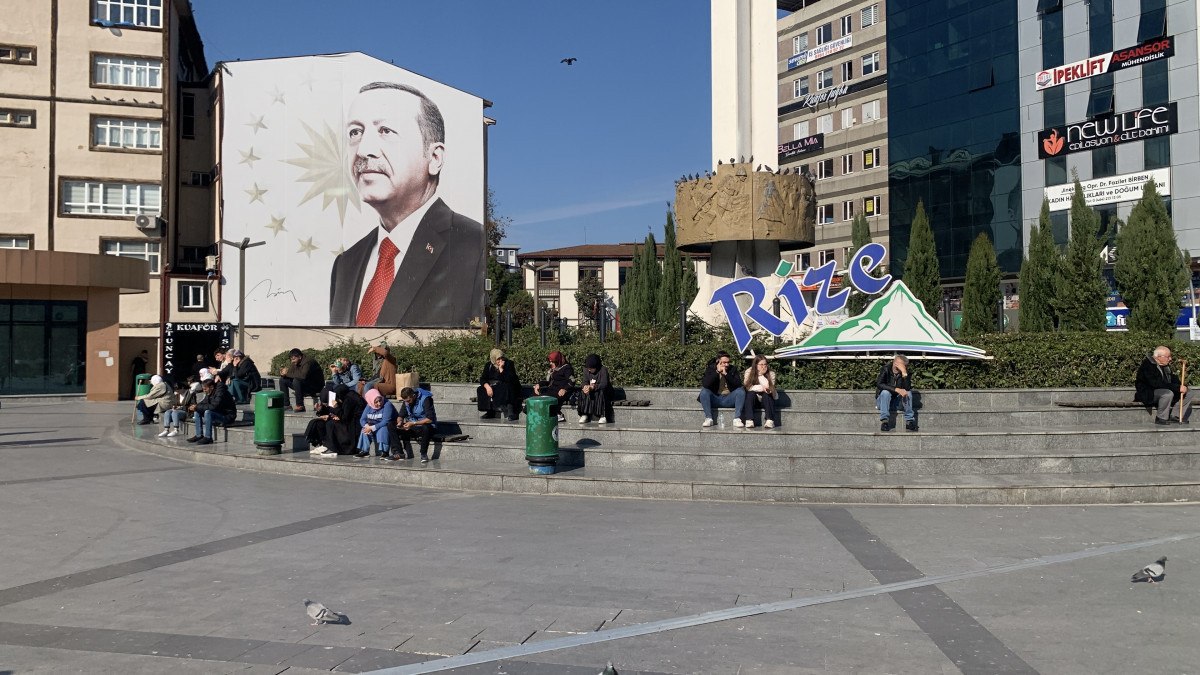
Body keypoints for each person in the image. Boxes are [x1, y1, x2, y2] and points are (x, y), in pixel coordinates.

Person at [329, 81, 485, 328]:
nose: (364, 150)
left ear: (435, 158)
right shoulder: (346, 264)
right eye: (355, 132)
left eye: (386, 131)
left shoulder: (472, 244)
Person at [1135, 345, 1195, 425]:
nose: (1170, 359)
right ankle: (1161, 418)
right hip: (1149, 392)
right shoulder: (1147, 365)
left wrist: (1182, 386)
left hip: (1164, 389)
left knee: (1189, 392)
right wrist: (1177, 387)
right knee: (1167, 393)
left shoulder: (1166, 366)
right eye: (1168, 357)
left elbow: (1173, 380)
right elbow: (1156, 383)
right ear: (1158, 357)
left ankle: (1175, 415)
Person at [698, 351, 746, 428]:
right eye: (724, 362)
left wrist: (727, 374)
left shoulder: (732, 369)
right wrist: (717, 372)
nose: (726, 364)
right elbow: (706, 384)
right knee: (704, 391)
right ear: (718, 361)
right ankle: (708, 418)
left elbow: (738, 384)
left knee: (741, 391)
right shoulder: (711, 368)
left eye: (728, 362)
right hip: (715, 398)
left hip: (729, 398)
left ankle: (737, 418)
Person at [391, 386, 437, 462]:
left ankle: (423, 454)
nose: (407, 403)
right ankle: (398, 452)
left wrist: (413, 423)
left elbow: (430, 419)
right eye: (405, 401)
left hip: (426, 426)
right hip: (413, 426)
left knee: (426, 428)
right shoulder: (406, 401)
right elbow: (401, 415)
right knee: (391, 425)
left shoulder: (426, 399)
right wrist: (400, 422)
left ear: (414, 396)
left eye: (408, 401)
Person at [187, 377, 236, 445]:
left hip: (227, 416)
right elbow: (203, 403)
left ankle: (208, 437)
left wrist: (197, 407)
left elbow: (214, 406)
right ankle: (199, 435)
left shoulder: (220, 393)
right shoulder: (210, 393)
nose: (204, 391)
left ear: (211, 387)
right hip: (219, 413)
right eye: (203, 389)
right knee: (197, 411)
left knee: (208, 412)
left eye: (205, 389)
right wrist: (195, 406)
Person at [477, 348, 521, 421]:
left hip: (508, 385)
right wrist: (487, 386)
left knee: (506, 387)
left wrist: (501, 369)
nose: (500, 360)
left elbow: (509, 379)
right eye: (498, 359)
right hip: (494, 385)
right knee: (481, 389)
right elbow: (483, 378)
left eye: (502, 358)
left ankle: (511, 411)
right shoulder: (489, 365)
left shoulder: (509, 363)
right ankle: (490, 411)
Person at [877, 354, 917, 432]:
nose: (898, 365)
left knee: (908, 393)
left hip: (897, 403)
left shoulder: (905, 372)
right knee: (885, 392)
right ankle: (884, 422)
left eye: (903, 365)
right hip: (883, 402)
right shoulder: (885, 369)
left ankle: (909, 421)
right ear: (894, 362)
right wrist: (896, 389)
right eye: (897, 363)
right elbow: (879, 384)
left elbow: (907, 388)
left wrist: (904, 373)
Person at [534, 351, 575, 422]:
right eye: (550, 362)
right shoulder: (553, 369)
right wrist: (539, 384)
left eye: (552, 362)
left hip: (560, 391)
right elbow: (548, 382)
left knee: (548, 401)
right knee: (535, 399)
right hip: (551, 390)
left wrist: (565, 389)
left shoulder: (566, 368)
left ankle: (558, 414)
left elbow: (572, 381)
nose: (550, 364)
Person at [279, 348, 323, 412]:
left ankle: (300, 405)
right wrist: (283, 374)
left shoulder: (308, 362)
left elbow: (303, 376)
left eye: (293, 359)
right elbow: (290, 373)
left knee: (296, 380)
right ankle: (286, 405)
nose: (292, 361)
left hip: (315, 387)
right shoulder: (296, 362)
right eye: (291, 359)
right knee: (283, 380)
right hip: (304, 385)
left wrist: (287, 373)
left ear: (299, 357)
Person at [740, 355, 778, 429]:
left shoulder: (771, 374)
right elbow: (747, 387)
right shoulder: (749, 371)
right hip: (753, 400)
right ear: (756, 365)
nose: (763, 367)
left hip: (767, 400)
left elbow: (769, 388)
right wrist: (760, 388)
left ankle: (770, 420)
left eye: (765, 364)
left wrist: (761, 375)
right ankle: (749, 419)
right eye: (761, 364)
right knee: (750, 393)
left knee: (767, 395)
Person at [356, 389, 396, 458]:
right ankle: (364, 451)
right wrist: (367, 426)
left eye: (380, 400)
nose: (379, 403)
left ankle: (384, 451)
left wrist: (371, 428)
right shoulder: (369, 406)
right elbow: (362, 419)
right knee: (364, 429)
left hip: (385, 426)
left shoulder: (387, 404)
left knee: (383, 429)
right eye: (376, 402)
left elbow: (386, 421)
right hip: (373, 426)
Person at [576, 354, 612, 424]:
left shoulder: (603, 370)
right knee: (583, 392)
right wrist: (585, 387)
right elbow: (584, 381)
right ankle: (584, 414)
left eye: (591, 368)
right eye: (588, 368)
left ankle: (603, 415)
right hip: (592, 390)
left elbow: (604, 384)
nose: (589, 370)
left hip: (604, 391)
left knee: (601, 392)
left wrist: (593, 387)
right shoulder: (586, 370)